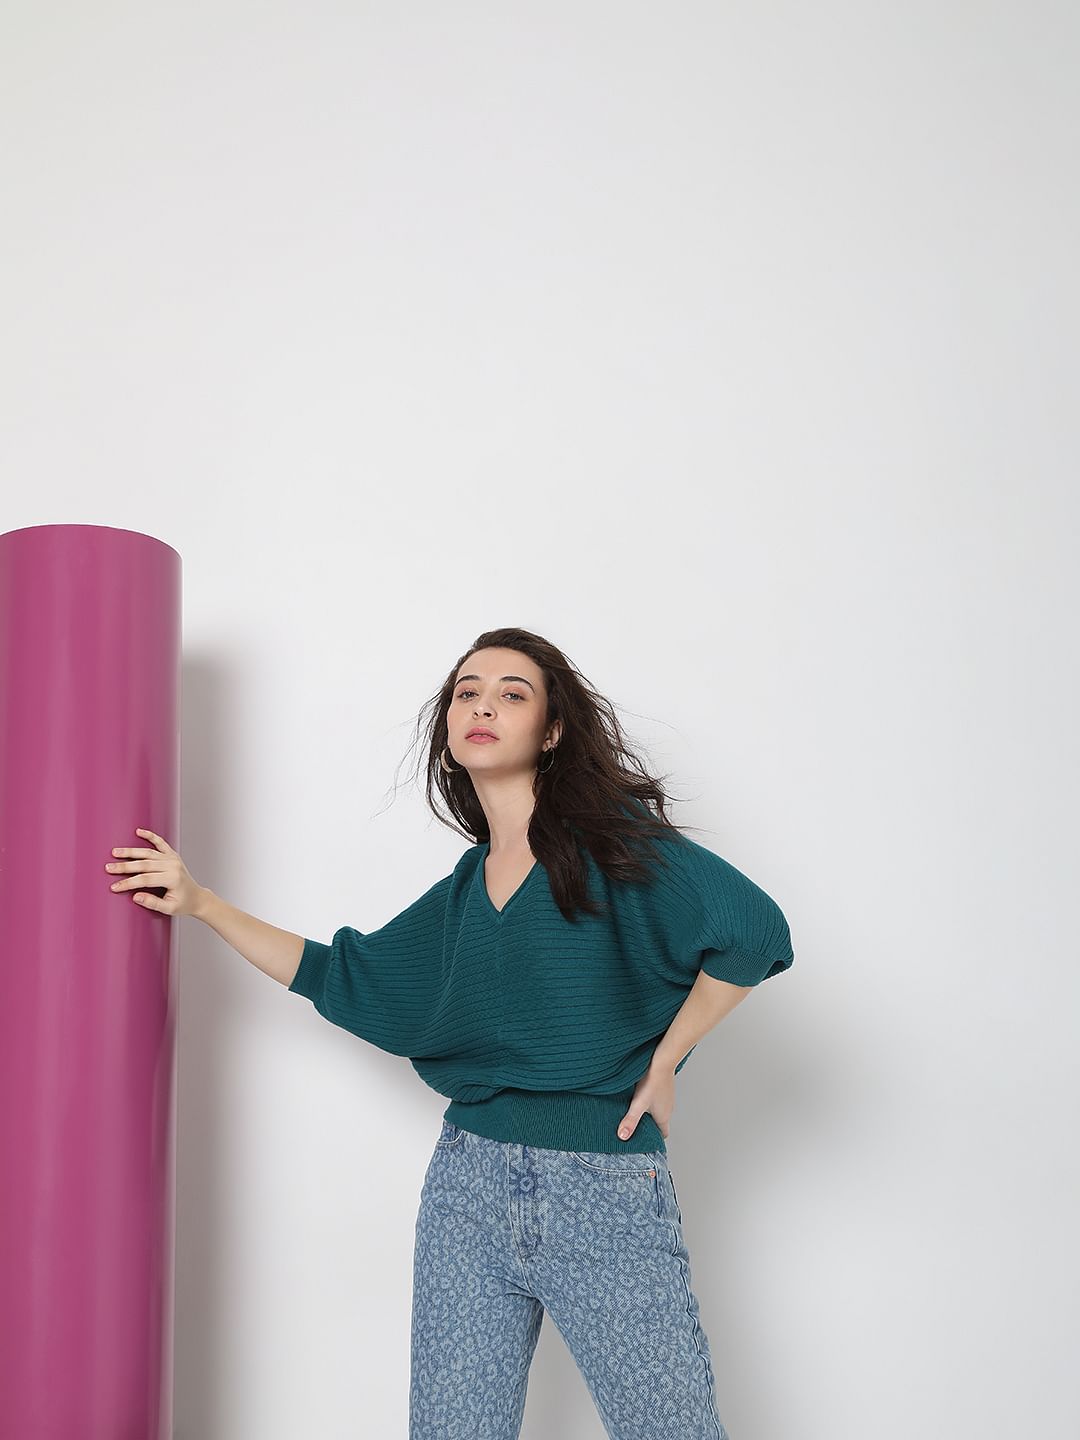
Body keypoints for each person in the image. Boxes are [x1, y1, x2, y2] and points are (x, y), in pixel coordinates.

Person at [104, 626, 795, 1440]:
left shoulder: (614, 848)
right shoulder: (466, 890)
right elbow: (339, 974)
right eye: (468, 691)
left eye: (512, 694)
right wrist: (203, 902)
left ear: (552, 730)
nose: (483, 706)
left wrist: (667, 1060)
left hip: (601, 1187)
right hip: (466, 1190)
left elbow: (753, 930)